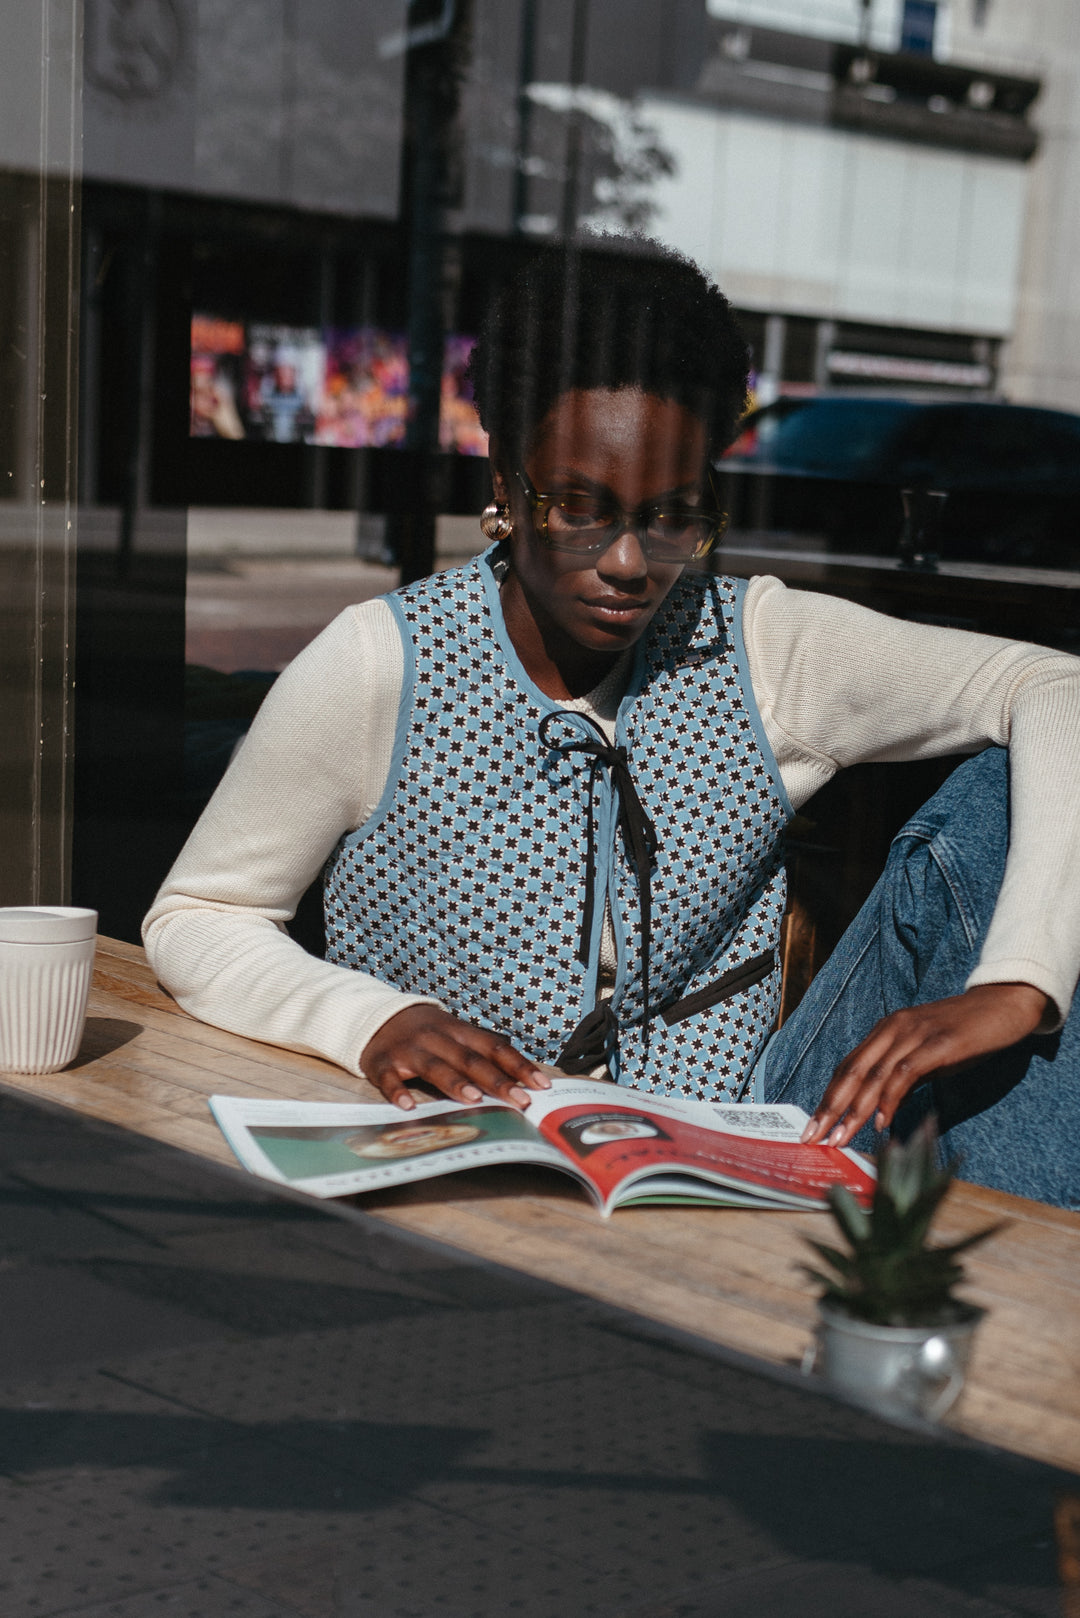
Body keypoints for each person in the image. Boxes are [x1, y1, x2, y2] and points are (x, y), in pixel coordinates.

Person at [144, 244, 1080, 1206]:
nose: (630, 562)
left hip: (744, 1123)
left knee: (1008, 803)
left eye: (672, 517)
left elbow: (1058, 691)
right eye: (579, 509)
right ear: (504, 483)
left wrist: (1019, 982)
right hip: (473, 1142)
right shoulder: (379, 661)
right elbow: (199, 917)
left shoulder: (764, 645)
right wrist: (368, 1021)